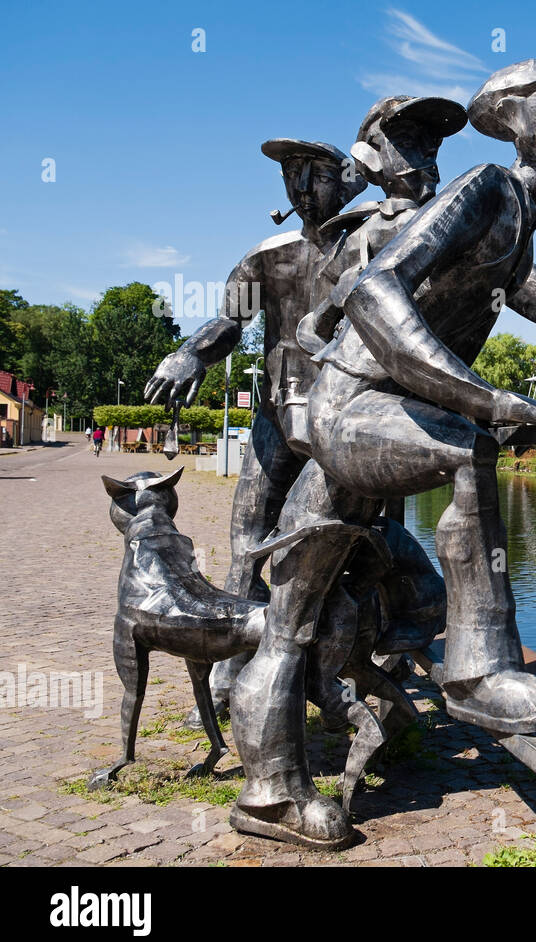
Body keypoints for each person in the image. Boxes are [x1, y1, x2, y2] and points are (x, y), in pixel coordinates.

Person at [228, 60, 536, 849]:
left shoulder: (515, 227)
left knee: (291, 619)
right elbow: (375, 292)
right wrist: (486, 399)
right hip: (352, 410)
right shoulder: (483, 190)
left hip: (378, 423)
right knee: (468, 449)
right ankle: (476, 669)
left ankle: (269, 795)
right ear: (517, 118)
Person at [143, 138, 364, 724]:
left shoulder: (374, 247)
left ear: (347, 180)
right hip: (274, 416)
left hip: (342, 419)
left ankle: (342, 671)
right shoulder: (267, 255)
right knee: (246, 544)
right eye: (290, 175)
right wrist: (190, 352)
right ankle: (230, 675)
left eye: (314, 174)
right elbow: (227, 321)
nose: (299, 187)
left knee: (351, 545)